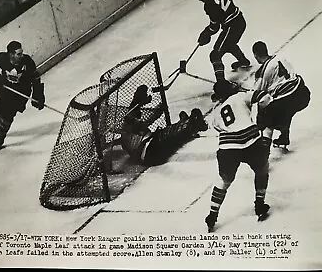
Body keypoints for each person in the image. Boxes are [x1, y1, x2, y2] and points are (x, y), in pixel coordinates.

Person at [205, 80, 273, 233]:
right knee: (262, 169)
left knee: (224, 181)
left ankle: (212, 215)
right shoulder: (240, 96)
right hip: (250, 140)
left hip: (227, 148)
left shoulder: (216, 112)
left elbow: (216, 126)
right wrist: (260, 111)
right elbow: (264, 98)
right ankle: (260, 204)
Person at [0, 41, 46, 153]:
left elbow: (35, 77)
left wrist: (38, 94)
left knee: (7, 117)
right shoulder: (2, 58)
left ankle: (0, 139)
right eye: (18, 54)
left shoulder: (27, 61)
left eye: (21, 53)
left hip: (21, 93)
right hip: (6, 89)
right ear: (11, 54)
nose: (21, 56)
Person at [120, 85, 208, 167]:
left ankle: (187, 124)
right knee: (167, 135)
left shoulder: (130, 127)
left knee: (167, 134)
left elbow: (137, 117)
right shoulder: (129, 123)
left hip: (149, 151)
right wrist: (155, 113)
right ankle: (190, 124)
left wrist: (144, 105)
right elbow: (139, 121)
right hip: (150, 153)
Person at [252, 41, 311, 148]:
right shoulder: (280, 58)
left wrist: (260, 118)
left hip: (288, 99)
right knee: (285, 109)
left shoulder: (263, 72)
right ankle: (284, 137)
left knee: (268, 117)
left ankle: (263, 153)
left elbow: (258, 96)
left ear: (255, 55)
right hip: (303, 93)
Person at [192, 0, 251, 82]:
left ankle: (221, 83)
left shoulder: (209, 6)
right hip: (240, 20)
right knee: (228, 43)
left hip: (232, 26)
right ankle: (243, 61)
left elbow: (215, 27)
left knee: (215, 54)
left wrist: (206, 33)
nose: (200, 0)